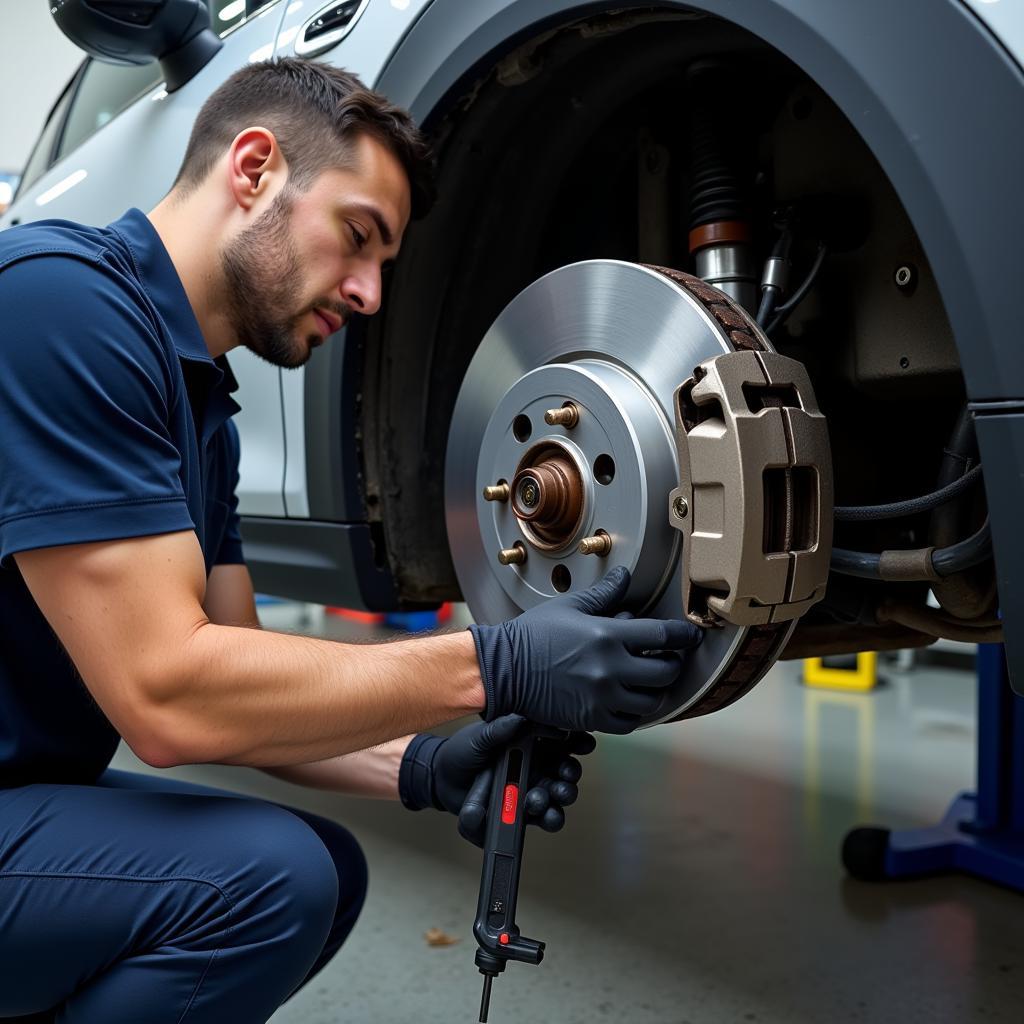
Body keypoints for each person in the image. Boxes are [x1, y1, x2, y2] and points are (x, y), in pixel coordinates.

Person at [0, 59, 702, 1022]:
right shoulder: (59, 305)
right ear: (254, 169)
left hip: (21, 798)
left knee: (325, 869)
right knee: (266, 883)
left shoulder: (198, 402)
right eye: (357, 237)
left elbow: (246, 676)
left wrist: (422, 763)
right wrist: (491, 665)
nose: (371, 293)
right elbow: (170, 696)